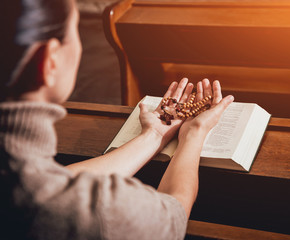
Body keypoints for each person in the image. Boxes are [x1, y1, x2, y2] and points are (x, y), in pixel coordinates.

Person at [0, 0, 234, 239]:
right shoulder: (94, 212)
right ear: (48, 61)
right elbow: (173, 214)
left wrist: (152, 136)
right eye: (76, 31)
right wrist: (194, 133)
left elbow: (53, 180)